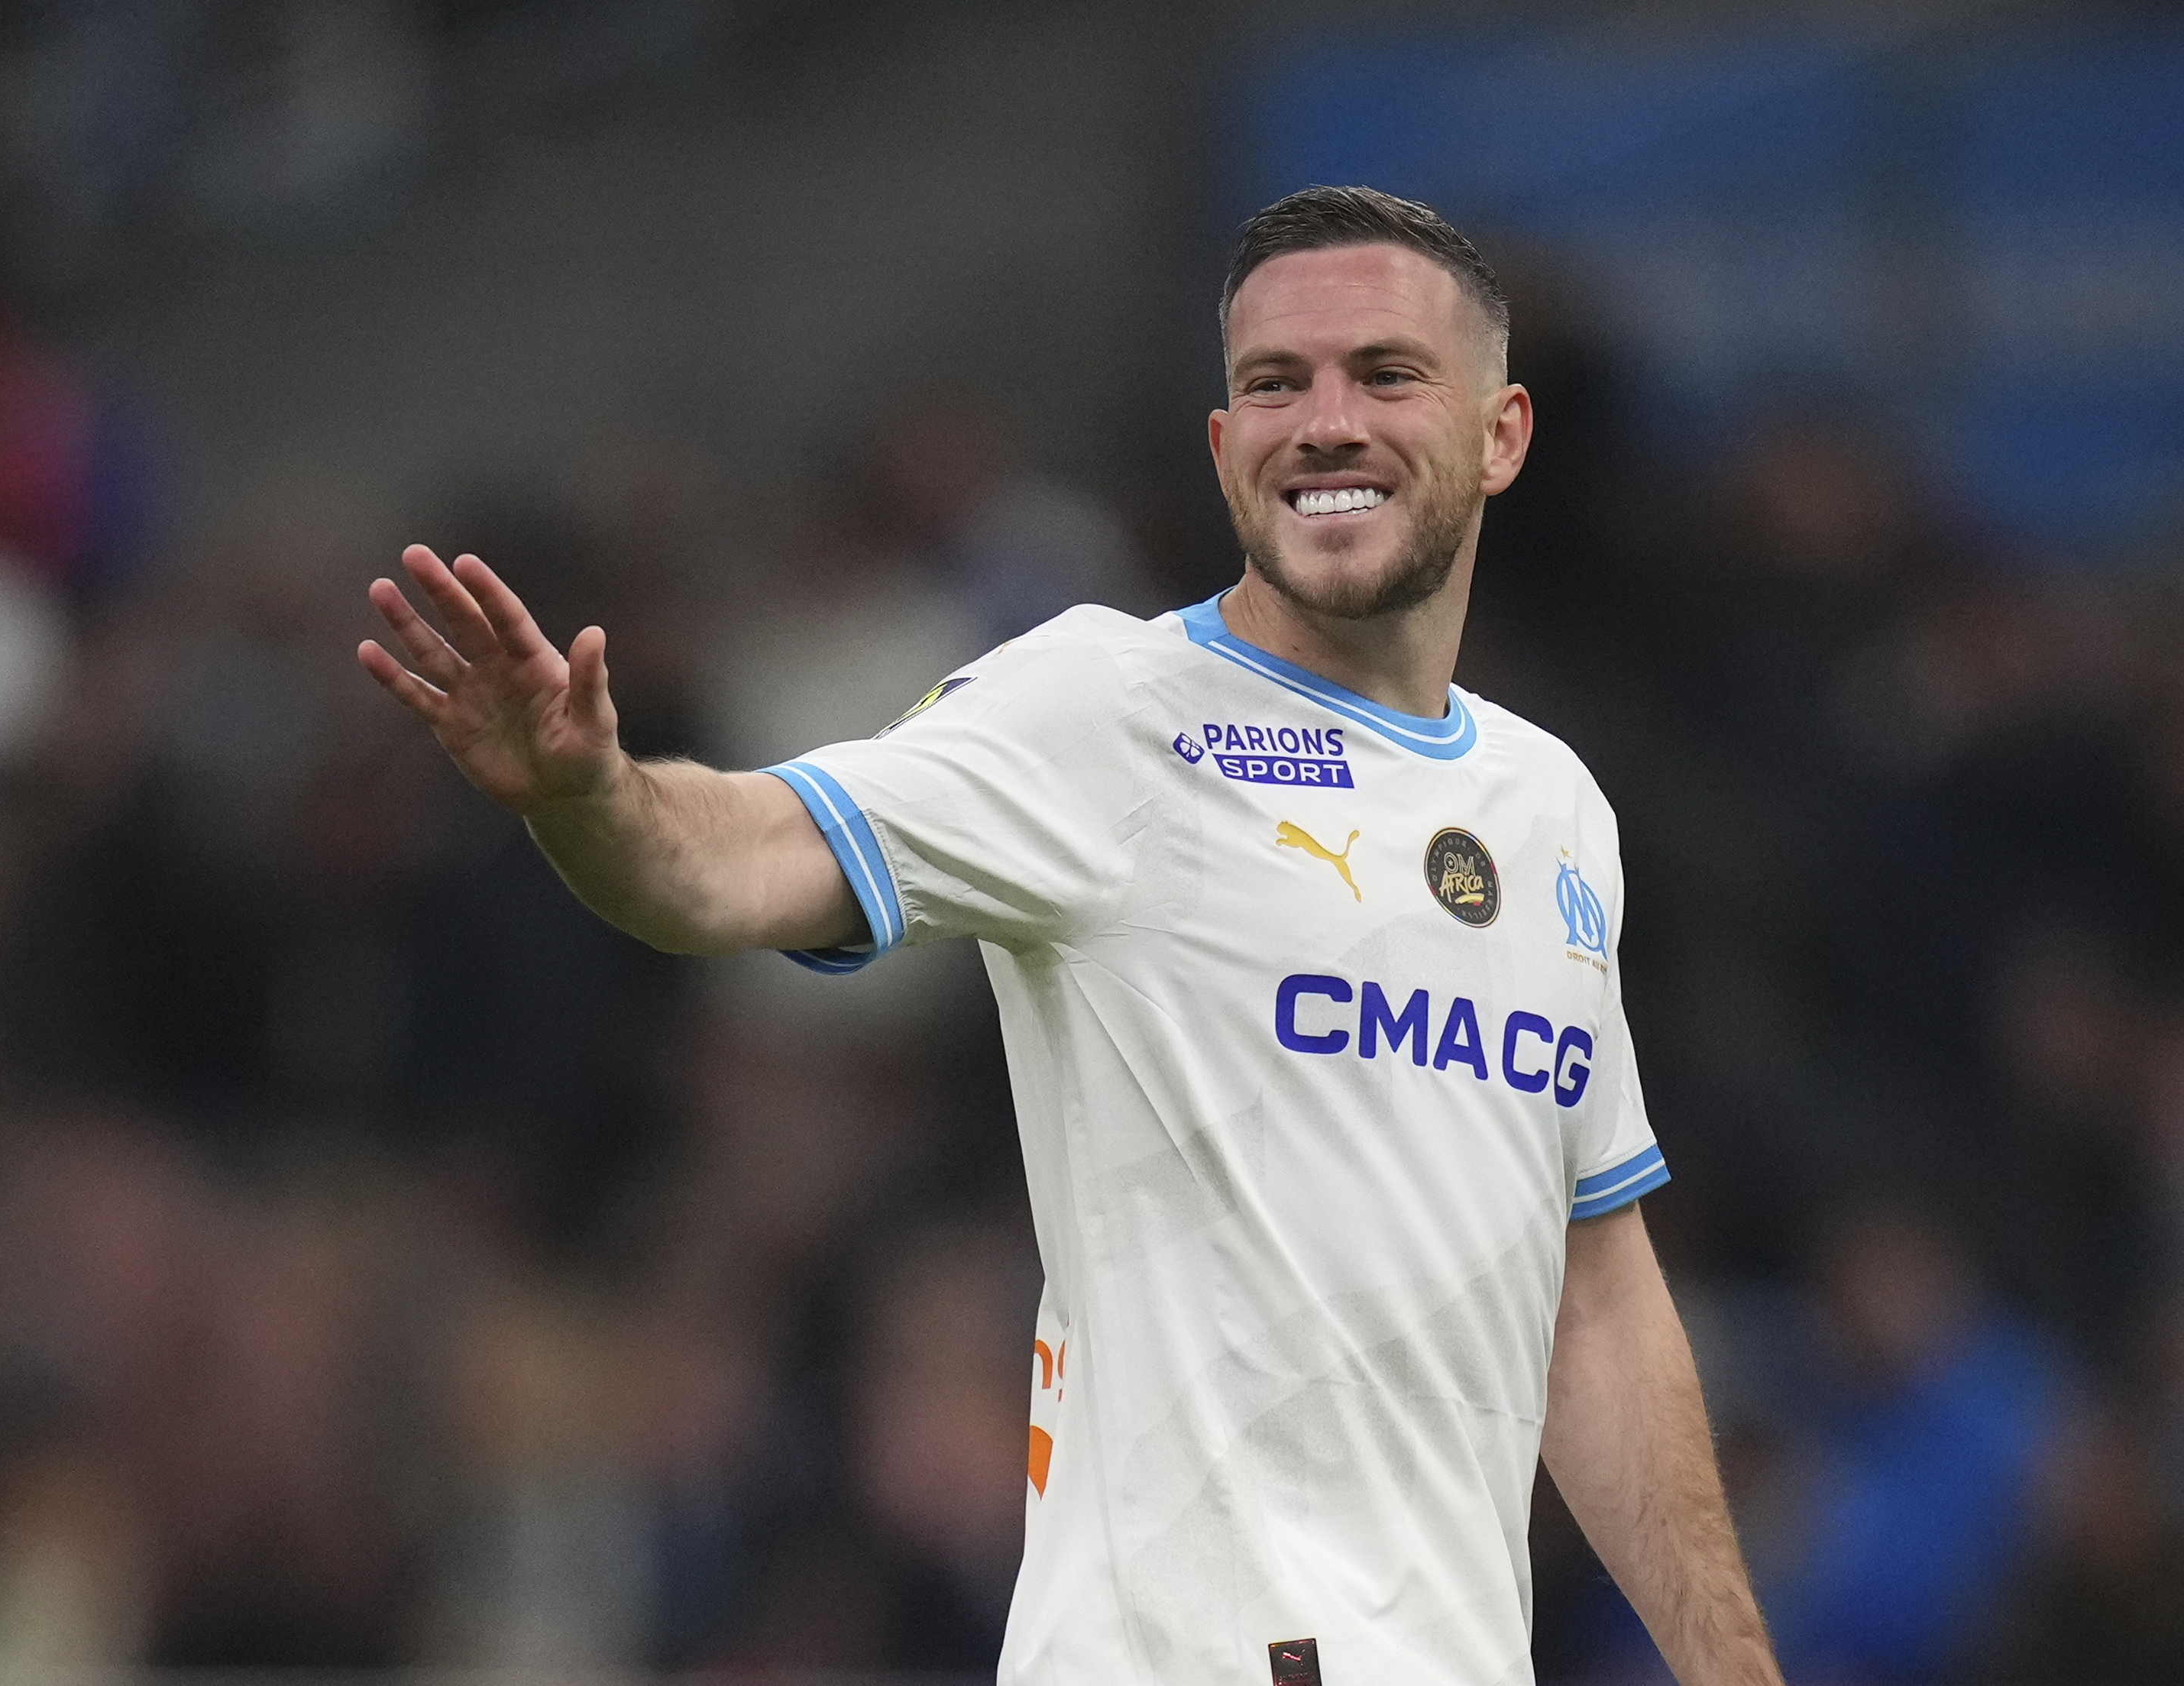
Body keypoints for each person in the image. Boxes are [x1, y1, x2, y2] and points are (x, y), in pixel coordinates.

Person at [358, 186, 1784, 1686]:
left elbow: (1599, 1302)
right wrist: (594, 796)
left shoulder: (1552, 811)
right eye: (1274, 384)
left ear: (1502, 434)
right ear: (1226, 447)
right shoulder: (1105, 712)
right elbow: (736, 861)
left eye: (1385, 373)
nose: (1327, 422)